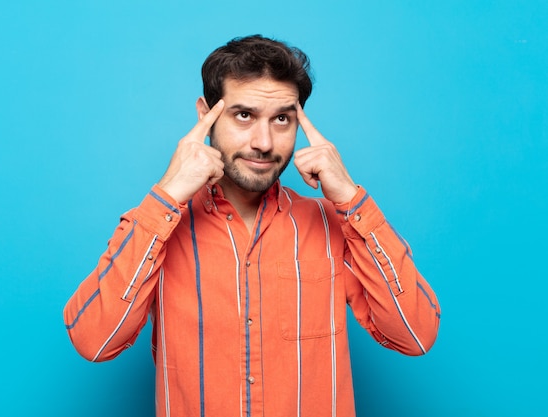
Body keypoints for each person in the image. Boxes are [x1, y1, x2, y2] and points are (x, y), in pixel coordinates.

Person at [63, 34, 440, 417]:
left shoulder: (334, 225)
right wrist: (168, 193)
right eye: (244, 115)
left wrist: (349, 197)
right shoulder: (156, 228)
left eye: (282, 119)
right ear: (205, 115)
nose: (264, 142)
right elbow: (95, 341)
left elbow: (414, 333)